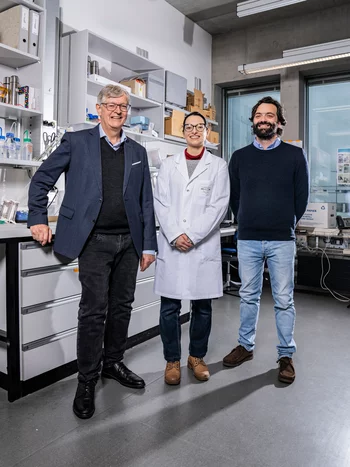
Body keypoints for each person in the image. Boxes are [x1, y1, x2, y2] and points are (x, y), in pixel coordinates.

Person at [28, 84, 157, 419]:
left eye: (124, 106)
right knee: (93, 311)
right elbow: (41, 180)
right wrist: (38, 220)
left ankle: (113, 363)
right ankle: (86, 380)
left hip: (129, 242)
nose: (118, 111)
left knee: (122, 307)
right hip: (93, 242)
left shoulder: (138, 152)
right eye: (112, 105)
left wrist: (148, 245)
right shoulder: (77, 141)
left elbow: (145, 202)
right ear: (98, 109)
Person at [223, 96, 309, 384]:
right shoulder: (239, 157)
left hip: (281, 240)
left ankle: (285, 355)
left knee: (284, 300)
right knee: (248, 296)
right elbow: (234, 196)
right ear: (253, 122)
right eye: (259, 115)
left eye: (269, 115)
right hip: (247, 237)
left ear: (279, 122)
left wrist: (284, 222)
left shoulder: (295, 156)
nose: (263, 119)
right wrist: (246, 217)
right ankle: (245, 346)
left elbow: (302, 198)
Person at [154, 111, 230, 385]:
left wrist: (193, 236)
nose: (194, 130)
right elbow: (160, 202)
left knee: (203, 307)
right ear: (182, 131)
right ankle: (172, 361)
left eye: (199, 126)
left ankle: (196, 357)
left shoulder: (218, 165)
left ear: (207, 131)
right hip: (173, 246)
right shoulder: (168, 165)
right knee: (169, 307)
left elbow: (218, 206)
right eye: (189, 126)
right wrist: (175, 235)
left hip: (202, 246)